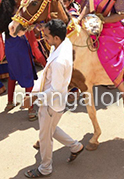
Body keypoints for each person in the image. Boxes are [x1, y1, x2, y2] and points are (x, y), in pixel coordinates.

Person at [22, 20, 84, 178]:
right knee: (51, 128)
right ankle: (75, 146)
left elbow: (55, 89)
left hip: (51, 103)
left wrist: (34, 97)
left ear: (57, 38)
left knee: (45, 136)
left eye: (47, 36)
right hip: (54, 102)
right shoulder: (64, 44)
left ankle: (45, 168)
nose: (44, 38)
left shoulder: (58, 62)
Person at [0, 0, 38, 120]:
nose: (23, 0)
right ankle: (30, 109)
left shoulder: (2, 12)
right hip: (20, 46)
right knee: (27, 75)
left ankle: (9, 102)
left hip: (9, 46)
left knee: (12, 74)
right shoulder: (19, 13)